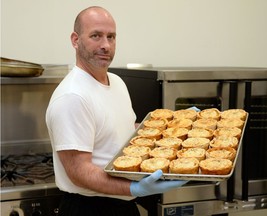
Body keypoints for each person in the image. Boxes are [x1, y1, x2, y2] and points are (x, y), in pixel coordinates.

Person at [45, 6, 187, 216]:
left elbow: (125, 131)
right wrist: (134, 188)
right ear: (75, 40)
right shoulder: (73, 96)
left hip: (122, 205)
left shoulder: (117, 83)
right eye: (96, 36)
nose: (105, 45)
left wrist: (174, 129)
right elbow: (79, 172)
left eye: (111, 37)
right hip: (89, 208)